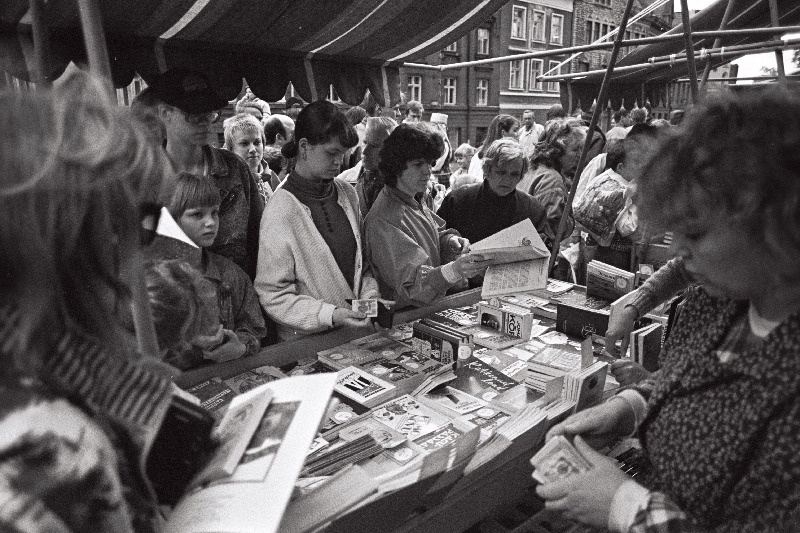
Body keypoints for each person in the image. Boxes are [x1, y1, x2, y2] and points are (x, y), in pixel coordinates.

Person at [537, 89, 800, 532]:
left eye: (694, 232)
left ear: (776, 225)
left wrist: (628, 508)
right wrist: (633, 407)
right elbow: (696, 379)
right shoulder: (725, 297)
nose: (678, 251)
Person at [0, 72, 181, 531]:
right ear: (73, 243)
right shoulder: (53, 448)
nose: (137, 254)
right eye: (135, 223)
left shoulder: (42, 368)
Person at [255, 100, 380, 341]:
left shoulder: (347, 193)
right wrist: (330, 315)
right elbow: (274, 295)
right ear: (304, 146)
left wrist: (370, 299)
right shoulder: (280, 210)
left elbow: (362, 267)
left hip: (352, 338)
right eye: (331, 153)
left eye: (343, 154)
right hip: (306, 344)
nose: (339, 162)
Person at [152, 67, 264, 279]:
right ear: (165, 113)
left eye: (209, 113)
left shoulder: (235, 170)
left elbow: (260, 241)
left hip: (234, 299)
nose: (205, 122)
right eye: (193, 115)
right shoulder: (144, 177)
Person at [364, 124, 493, 308]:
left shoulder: (411, 197)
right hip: (404, 317)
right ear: (396, 167)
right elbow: (413, 287)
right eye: (418, 164)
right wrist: (455, 270)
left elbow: (430, 233)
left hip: (426, 308)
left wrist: (450, 241)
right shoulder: (385, 219)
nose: (427, 171)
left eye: (429, 163)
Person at [162, 172, 267, 362]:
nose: (210, 222)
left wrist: (240, 346)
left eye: (215, 212)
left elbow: (255, 328)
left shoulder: (231, 274)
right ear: (171, 219)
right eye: (197, 214)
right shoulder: (157, 279)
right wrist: (187, 343)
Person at [439, 139, 552, 246]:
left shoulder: (532, 209)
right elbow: (437, 239)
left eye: (514, 174)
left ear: (521, 176)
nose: (507, 180)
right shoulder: (457, 201)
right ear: (487, 170)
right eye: (501, 172)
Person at [519, 118, 585, 239]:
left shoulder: (532, 168)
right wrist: (570, 221)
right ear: (557, 150)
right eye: (575, 149)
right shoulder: (552, 180)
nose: (580, 154)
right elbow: (553, 230)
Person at [223, 113, 274, 203]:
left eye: (257, 142)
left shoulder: (272, 177)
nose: (253, 149)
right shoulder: (227, 184)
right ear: (231, 149)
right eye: (244, 143)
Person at [468, 114, 521, 180]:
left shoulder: (515, 156)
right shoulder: (481, 156)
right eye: (515, 130)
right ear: (503, 133)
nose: (519, 134)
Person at [430, 113, 452, 187]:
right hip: (435, 177)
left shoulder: (444, 143)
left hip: (441, 178)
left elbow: (437, 166)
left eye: (433, 125)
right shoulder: (436, 142)